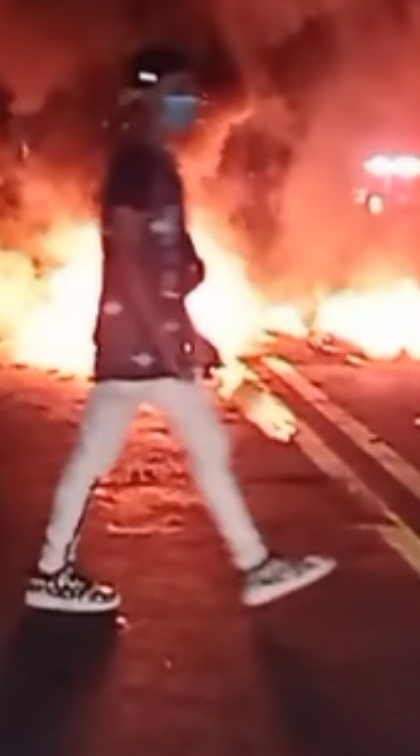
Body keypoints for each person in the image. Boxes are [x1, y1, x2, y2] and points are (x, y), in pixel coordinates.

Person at [26, 46, 336, 614]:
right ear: (145, 97)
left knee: (109, 456)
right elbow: (127, 261)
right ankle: (253, 565)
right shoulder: (135, 168)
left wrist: (200, 340)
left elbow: (165, 273)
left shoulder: (156, 165)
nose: (190, 102)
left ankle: (53, 571)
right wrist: (168, 341)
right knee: (171, 451)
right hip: (143, 347)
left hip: (144, 345)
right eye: (178, 90)